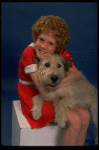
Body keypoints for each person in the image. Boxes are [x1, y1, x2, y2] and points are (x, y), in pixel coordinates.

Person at [18, 15, 90, 146]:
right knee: (75, 119)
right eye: (41, 39)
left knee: (85, 115)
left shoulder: (56, 53)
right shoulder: (29, 54)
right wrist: (58, 82)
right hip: (33, 95)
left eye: (50, 43)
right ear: (36, 37)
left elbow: (76, 74)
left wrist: (56, 83)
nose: (44, 46)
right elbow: (43, 90)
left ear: (57, 46)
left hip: (54, 93)